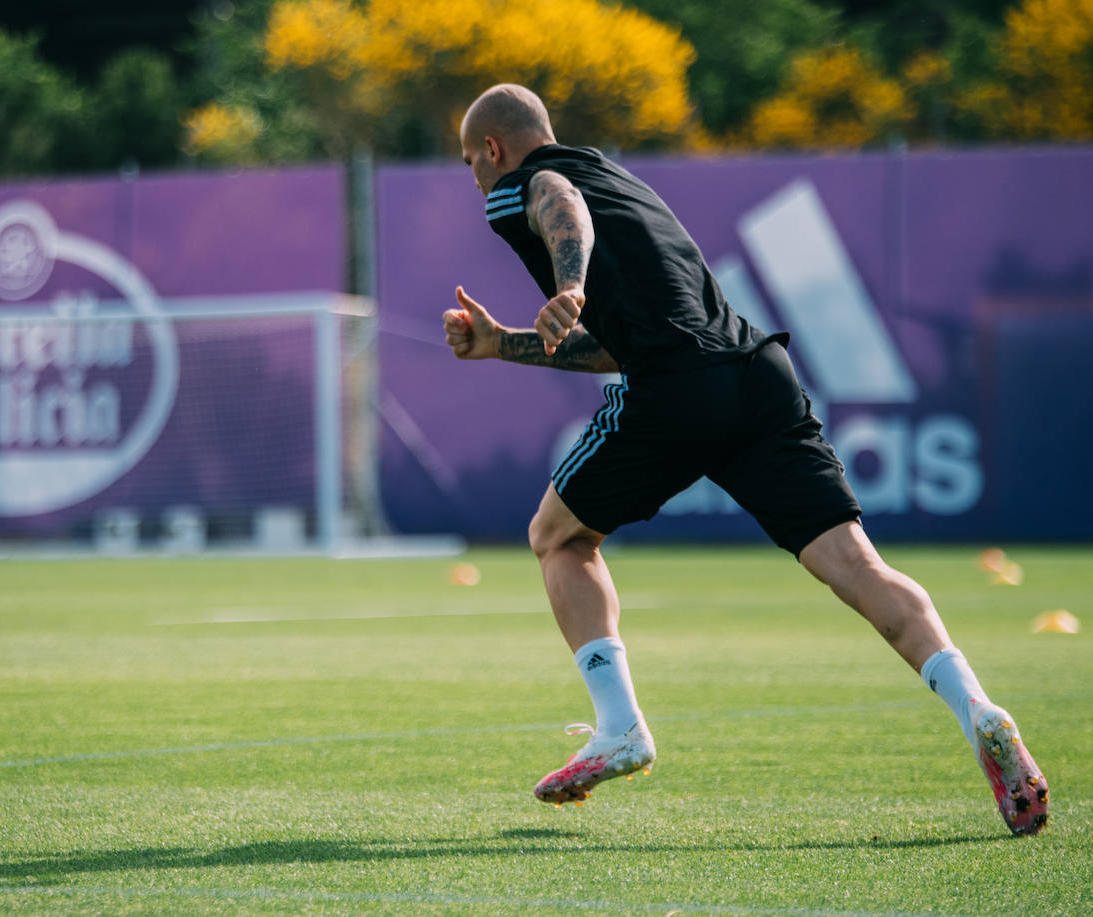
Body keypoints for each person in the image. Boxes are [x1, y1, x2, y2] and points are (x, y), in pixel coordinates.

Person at [442, 83, 1048, 835]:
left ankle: (620, 725)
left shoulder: (522, 184)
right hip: (757, 372)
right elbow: (621, 340)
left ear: (494, 148)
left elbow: (554, 198)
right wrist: (503, 343)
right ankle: (977, 705)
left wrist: (567, 282)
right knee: (859, 568)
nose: (474, 174)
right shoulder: (621, 178)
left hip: (675, 389)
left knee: (558, 536)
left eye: (472, 160)